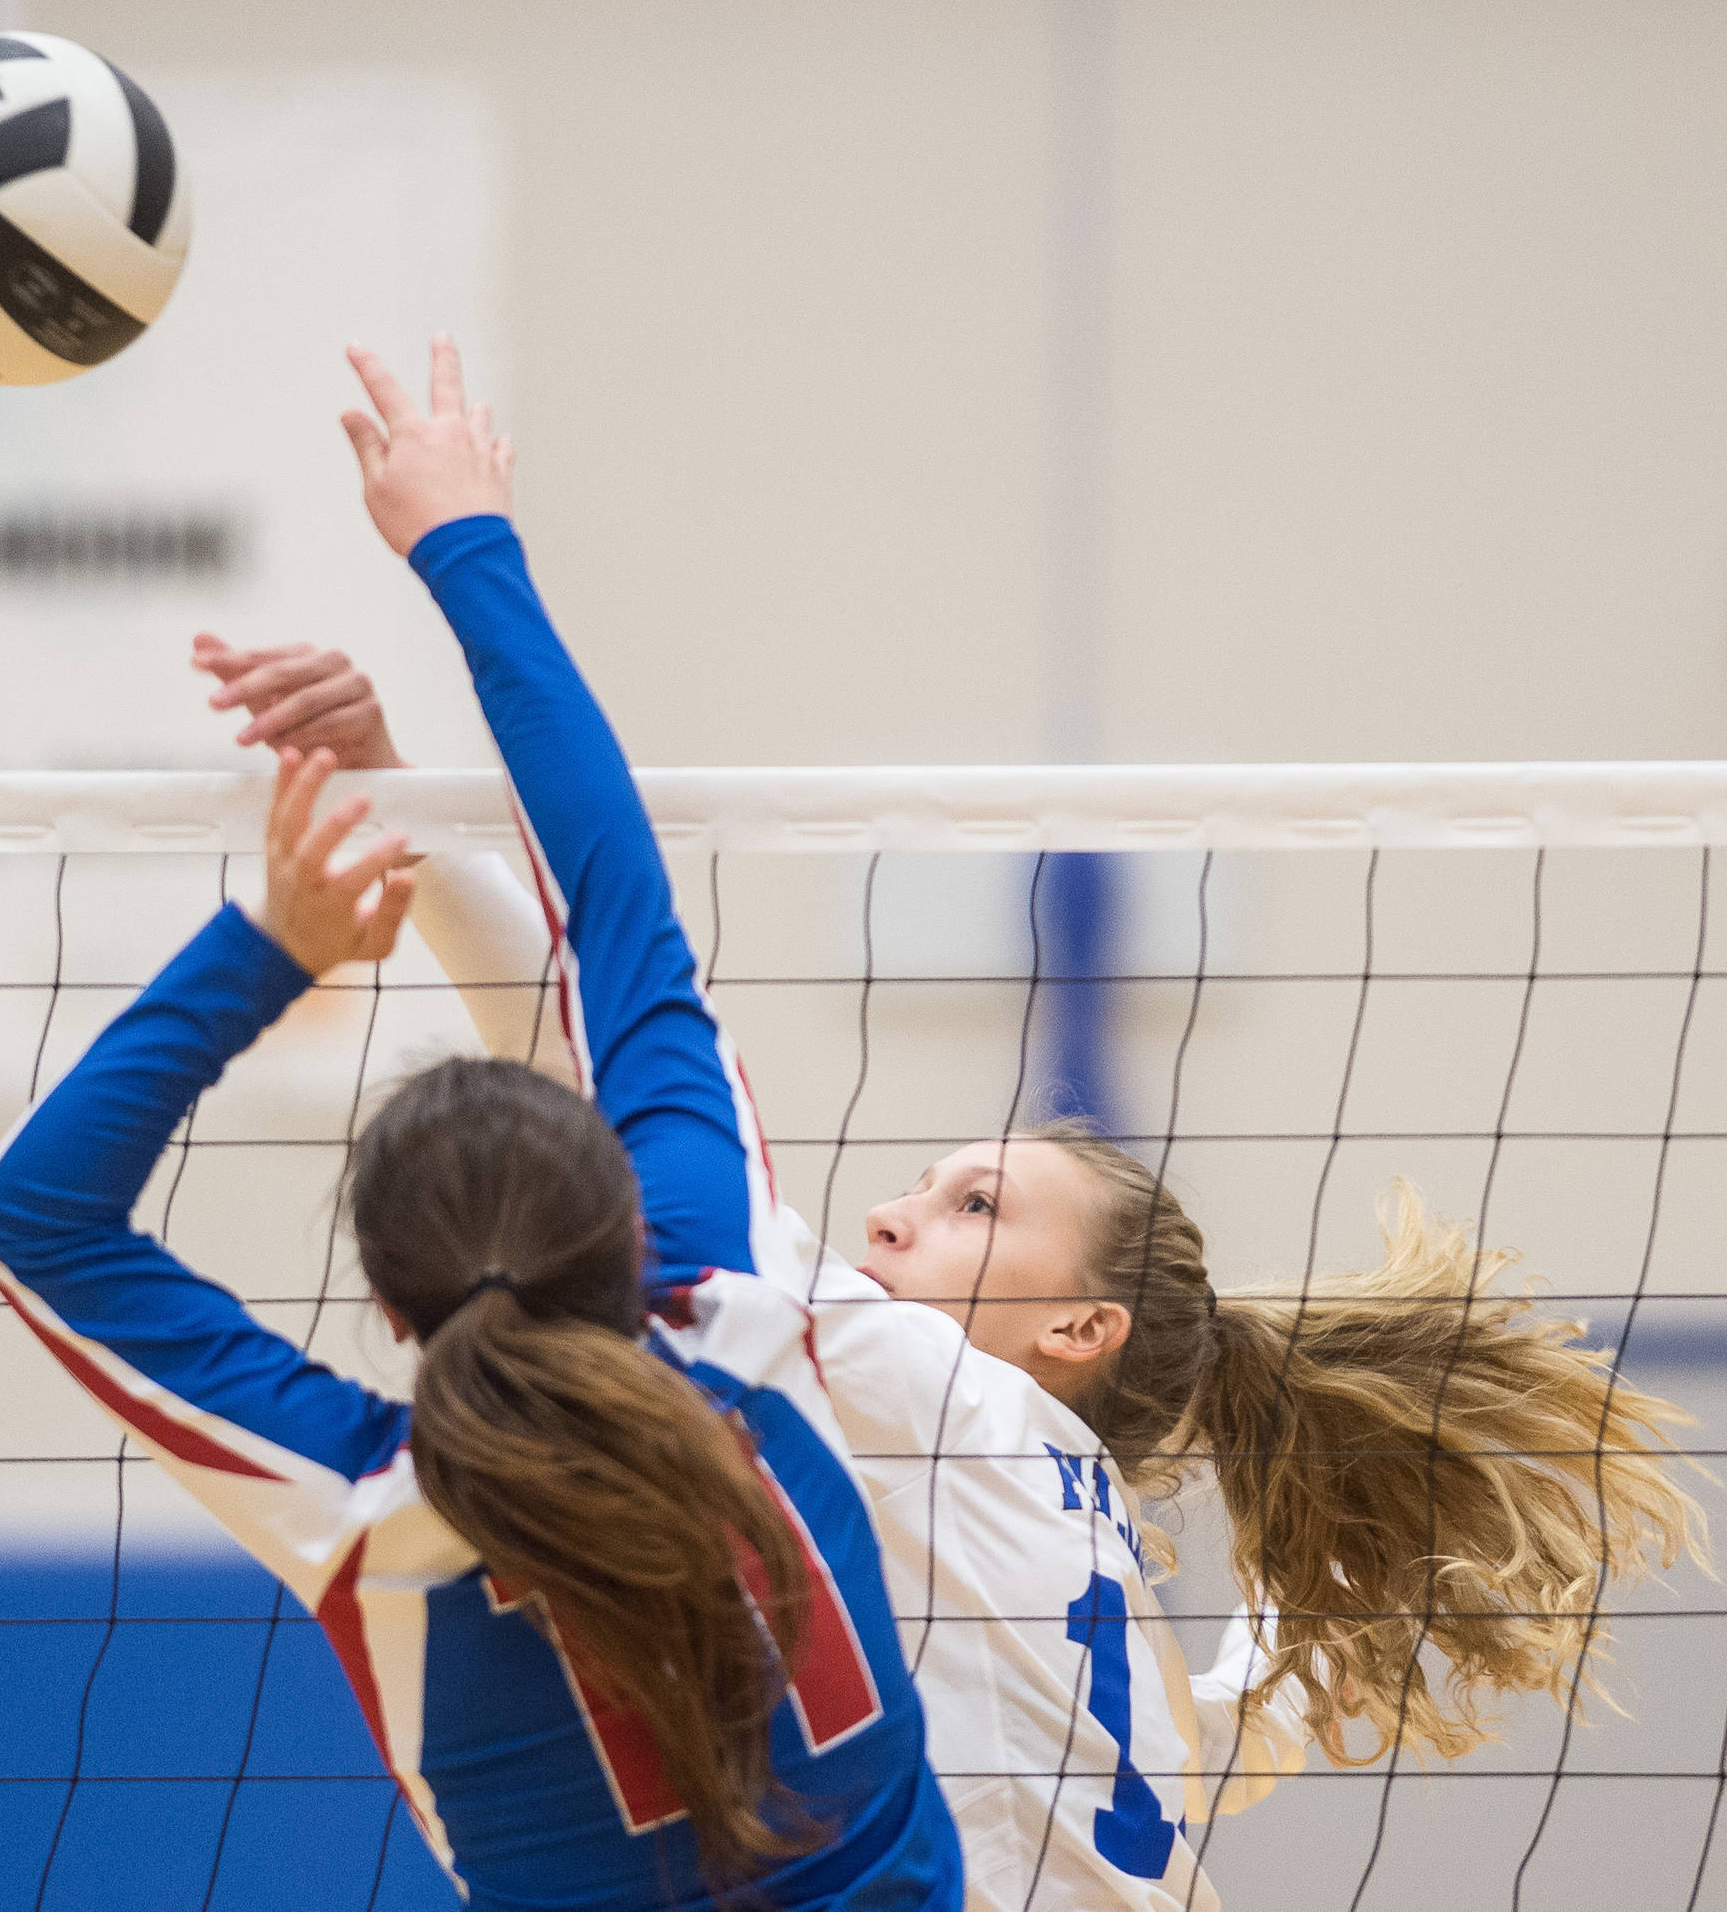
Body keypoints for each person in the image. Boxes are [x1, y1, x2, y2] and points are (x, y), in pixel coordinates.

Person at [196, 348, 1706, 1912]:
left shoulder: (929, 1402)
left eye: (979, 1204)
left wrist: (451, 602)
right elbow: (593, 1045)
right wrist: (407, 801)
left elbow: (595, 1004)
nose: (894, 1221)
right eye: (924, 1189)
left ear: (1078, 1325)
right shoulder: (1088, 1549)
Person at [0, 340, 966, 1911]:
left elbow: (28, 1218)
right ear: (626, 1224)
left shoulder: (368, 1520)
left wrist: (277, 942)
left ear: (385, 1307)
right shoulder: (744, 1309)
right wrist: (462, 541)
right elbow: (617, 907)